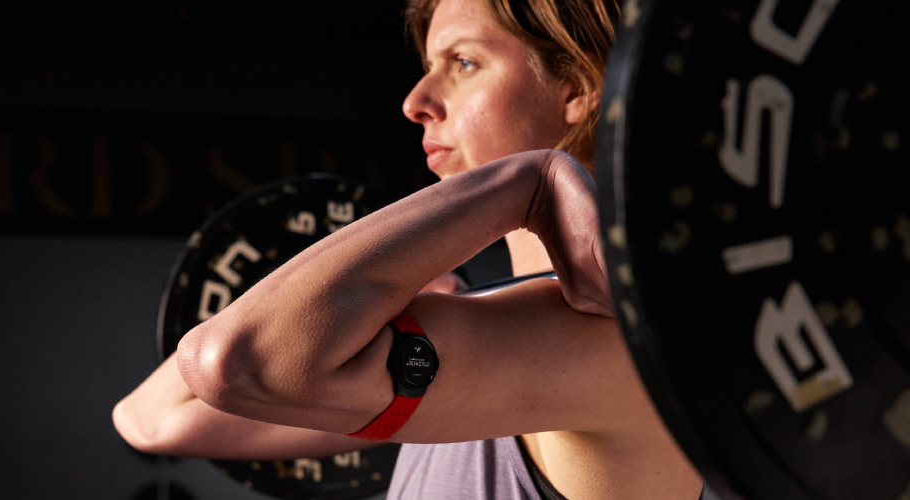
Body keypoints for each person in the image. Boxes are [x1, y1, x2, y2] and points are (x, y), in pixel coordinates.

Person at [116, 0, 707, 498]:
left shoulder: (611, 339)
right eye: (429, 66)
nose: (416, 99)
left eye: (464, 63)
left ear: (576, 89)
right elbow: (152, 418)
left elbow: (234, 359)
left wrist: (529, 180)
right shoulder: (475, 341)